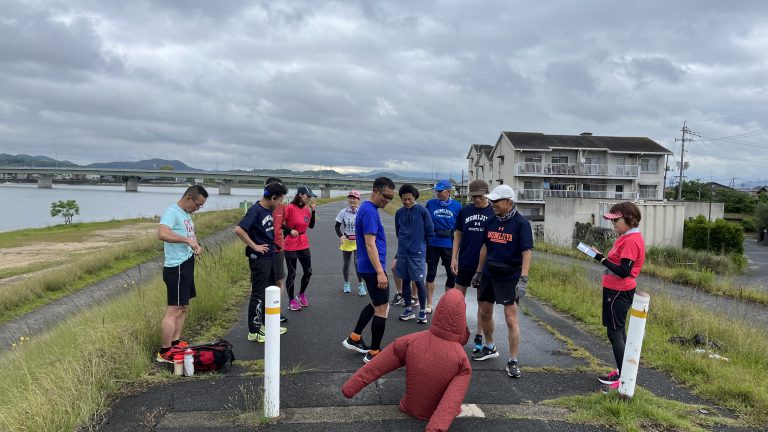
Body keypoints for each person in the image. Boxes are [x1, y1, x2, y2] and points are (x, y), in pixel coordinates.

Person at [341, 288, 472, 432]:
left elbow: (376, 366)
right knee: (451, 400)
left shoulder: (411, 341)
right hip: (433, 413)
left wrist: (350, 387)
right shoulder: (461, 358)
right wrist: (436, 428)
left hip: (410, 407)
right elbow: (452, 399)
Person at [471, 185, 532, 379]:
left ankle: (513, 360)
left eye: (497, 201)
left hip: (509, 276)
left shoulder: (521, 223)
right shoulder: (490, 221)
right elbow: (484, 248)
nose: (493, 204)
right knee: (485, 312)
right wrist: (479, 272)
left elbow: (526, 252)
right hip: (489, 273)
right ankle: (490, 347)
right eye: (493, 201)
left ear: (509, 202)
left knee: (510, 318)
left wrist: (523, 278)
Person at [590, 202, 645, 390]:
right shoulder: (626, 237)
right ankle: (623, 372)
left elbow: (623, 271)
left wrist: (601, 259)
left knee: (615, 333)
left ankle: (623, 377)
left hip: (618, 290)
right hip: (616, 290)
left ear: (629, 219)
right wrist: (602, 257)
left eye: (617, 220)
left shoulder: (630, 240)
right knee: (619, 331)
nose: (613, 224)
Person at [342, 177, 396, 363]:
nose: (387, 201)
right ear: (375, 191)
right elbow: (370, 244)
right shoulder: (370, 211)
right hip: (373, 269)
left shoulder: (368, 209)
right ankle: (374, 353)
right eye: (385, 196)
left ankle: (355, 338)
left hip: (369, 266)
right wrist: (380, 272)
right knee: (382, 308)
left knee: (375, 304)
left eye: (390, 198)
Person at [155, 185, 207, 362]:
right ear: (189, 198)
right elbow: (162, 233)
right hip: (175, 266)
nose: (198, 209)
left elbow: (190, 236)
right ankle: (164, 351)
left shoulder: (186, 215)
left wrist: (196, 246)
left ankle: (176, 343)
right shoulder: (172, 211)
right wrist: (186, 240)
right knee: (174, 309)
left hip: (187, 263)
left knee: (183, 307)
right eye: (198, 205)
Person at [234, 181, 289, 342]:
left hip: (270, 255)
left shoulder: (267, 210)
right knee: (258, 294)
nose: (280, 203)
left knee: (269, 291)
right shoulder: (255, 210)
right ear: (272, 197)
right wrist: (254, 246)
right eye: (279, 200)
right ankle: (254, 330)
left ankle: (266, 325)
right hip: (260, 259)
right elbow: (239, 229)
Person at [451, 179, 495, 354]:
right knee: (457, 300)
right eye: (474, 196)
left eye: (480, 196)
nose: (477, 199)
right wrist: (454, 257)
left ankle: (479, 335)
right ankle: (459, 331)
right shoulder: (464, 211)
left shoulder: (493, 211)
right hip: (465, 261)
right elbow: (458, 234)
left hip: (483, 265)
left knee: (481, 303)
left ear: (487, 194)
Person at [394, 184, 433, 324]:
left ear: (414, 197)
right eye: (404, 199)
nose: (407, 202)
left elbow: (429, 231)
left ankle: (422, 311)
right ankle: (408, 308)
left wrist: (427, 251)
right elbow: (398, 231)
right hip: (403, 252)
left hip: (418, 253)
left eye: (409, 199)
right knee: (405, 280)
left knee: (418, 281)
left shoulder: (422, 211)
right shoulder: (399, 213)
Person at [425, 179, 462, 313]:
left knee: (452, 274)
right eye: (437, 191)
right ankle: (429, 304)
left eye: (440, 191)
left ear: (448, 191)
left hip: (449, 244)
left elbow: (460, 229)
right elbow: (425, 222)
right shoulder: (430, 204)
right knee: (431, 274)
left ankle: (447, 304)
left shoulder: (457, 206)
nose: (438, 193)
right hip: (433, 243)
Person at [283, 186, 317, 311]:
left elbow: (311, 226)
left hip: (303, 242)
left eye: (310, 197)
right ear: (300, 195)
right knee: (292, 274)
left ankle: (301, 294)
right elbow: (279, 222)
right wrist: (289, 230)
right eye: (308, 196)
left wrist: (313, 211)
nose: (309, 199)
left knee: (308, 271)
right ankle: (291, 300)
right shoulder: (290, 208)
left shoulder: (307, 210)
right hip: (290, 244)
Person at [265, 177, 289, 324]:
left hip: (279, 248)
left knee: (279, 280)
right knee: (266, 283)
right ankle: (264, 312)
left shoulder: (282, 207)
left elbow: (283, 225)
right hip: (265, 249)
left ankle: (276, 311)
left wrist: (288, 233)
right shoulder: (261, 208)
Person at [335, 190, 366, 295]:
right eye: (350, 197)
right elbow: (337, 226)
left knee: (358, 263)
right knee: (346, 263)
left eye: (354, 198)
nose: (352, 200)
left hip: (359, 241)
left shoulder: (362, 211)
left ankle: (361, 284)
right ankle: (346, 283)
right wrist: (341, 235)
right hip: (347, 241)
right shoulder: (343, 212)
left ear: (358, 199)